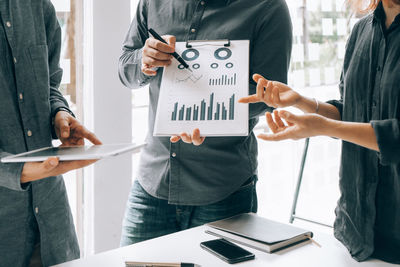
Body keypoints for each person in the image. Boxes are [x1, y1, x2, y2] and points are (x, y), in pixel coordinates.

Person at [118, 0, 292, 245]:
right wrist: (143, 60)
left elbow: (270, 95)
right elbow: (125, 69)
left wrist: (206, 115)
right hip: (153, 182)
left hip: (223, 188)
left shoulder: (268, 7)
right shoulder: (151, 3)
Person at [239, 0, 400, 263]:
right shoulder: (361, 31)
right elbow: (353, 113)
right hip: (354, 231)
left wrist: (324, 127)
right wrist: (301, 102)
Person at [0, 0, 102, 266]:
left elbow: (50, 84)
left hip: (53, 226)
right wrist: (23, 170)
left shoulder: (37, 6)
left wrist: (60, 116)